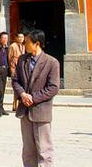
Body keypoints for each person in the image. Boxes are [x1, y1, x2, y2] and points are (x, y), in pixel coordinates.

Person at [12, 29, 60, 167]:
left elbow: (53, 87)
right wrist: (22, 94)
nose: (24, 44)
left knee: (44, 150)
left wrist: (33, 98)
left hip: (41, 111)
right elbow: (15, 81)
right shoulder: (22, 60)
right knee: (28, 150)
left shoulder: (52, 62)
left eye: (27, 42)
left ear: (37, 43)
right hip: (25, 111)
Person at [9, 32, 25, 111]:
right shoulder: (13, 46)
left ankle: (19, 104)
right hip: (14, 68)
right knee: (16, 87)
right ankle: (15, 105)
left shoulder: (24, 46)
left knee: (21, 87)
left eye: (22, 37)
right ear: (16, 38)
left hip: (21, 68)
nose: (21, 39)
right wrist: (11, 69)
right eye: (19, 37)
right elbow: (9, 57)